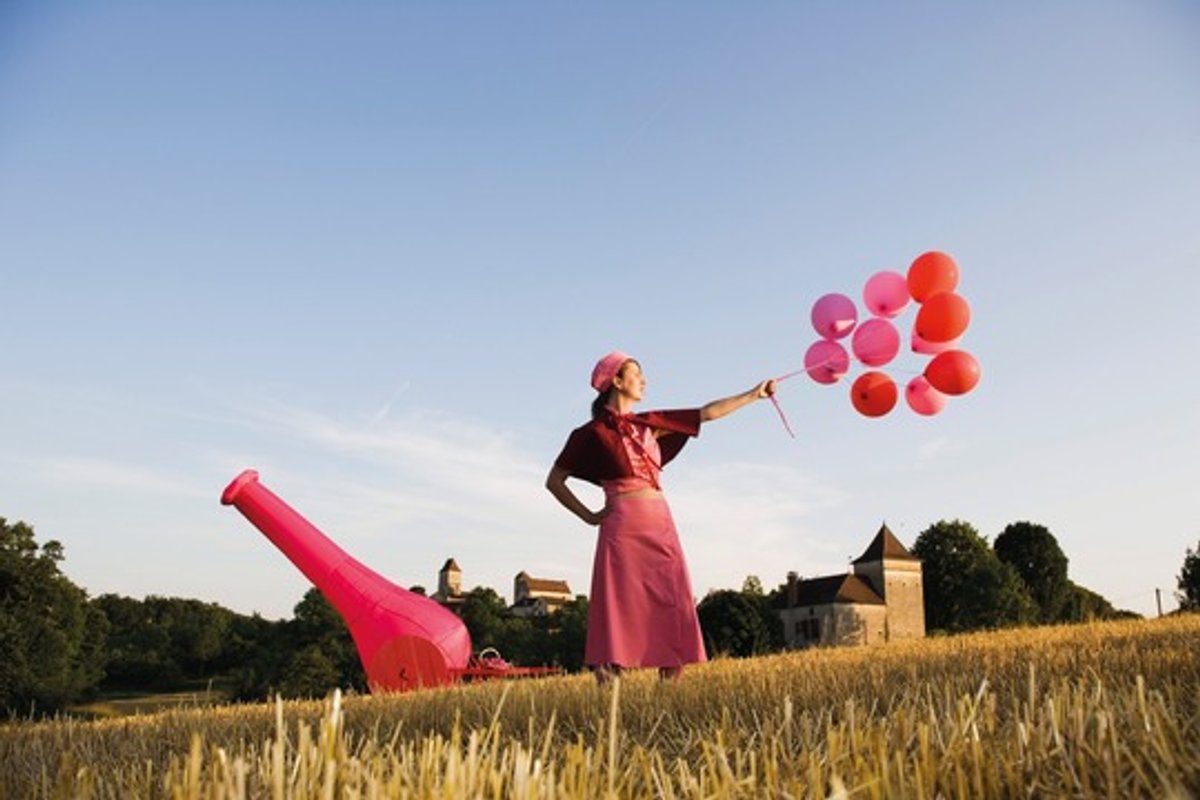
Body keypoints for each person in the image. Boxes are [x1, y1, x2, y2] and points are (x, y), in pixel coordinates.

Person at [545, 350, 776, 683]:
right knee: (619, 604)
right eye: (636, 374)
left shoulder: (649, 425)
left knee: (672, 599)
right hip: (621, 524)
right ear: (617, 381)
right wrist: (590, 516)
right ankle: (609, 684)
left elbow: (705, 414)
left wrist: (754, 394)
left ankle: (669, 692)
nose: (644, 381)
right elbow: (554, 481)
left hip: (660, 522)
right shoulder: (591, 433)